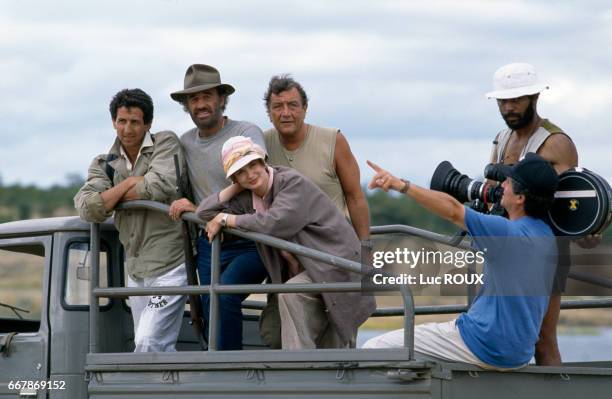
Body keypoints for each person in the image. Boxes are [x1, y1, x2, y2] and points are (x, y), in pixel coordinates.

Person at [363, 153, 559, 370]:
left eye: (509, 182)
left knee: (374, 348)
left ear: (521, 198)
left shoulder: (505, 232)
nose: (502, 185)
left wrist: (401, 185)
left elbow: (454, 211)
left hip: (483, 344)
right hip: (517, 355)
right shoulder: (548, 237)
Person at [197, 136, 376, 349]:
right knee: (273, 331)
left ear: (264, 162)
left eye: (253, 165)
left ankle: (301, 369)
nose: (250, 174)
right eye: (241, 171)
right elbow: (203, 212)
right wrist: (237, 186)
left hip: (333, 264)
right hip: (303, 269)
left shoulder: (292, 183)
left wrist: (227, 219)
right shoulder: (247, 197)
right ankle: (306, 364)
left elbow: (274, 222)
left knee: (297, 299)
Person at [485, 62, 598, 366]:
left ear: (534, 97)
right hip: (506, 247)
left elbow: (574, 201)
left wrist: (587, 230)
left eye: (516, 100)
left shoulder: (556, 142)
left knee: (543, 340)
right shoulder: (501, 138)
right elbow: (492, 191)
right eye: (502, 101)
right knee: (496, 334)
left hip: (544, 251)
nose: (508, 107)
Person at [74, 88, 187, 352]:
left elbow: (159, 186)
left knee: (148, 343)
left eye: (135, 121)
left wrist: (111, 197)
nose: (127, 128)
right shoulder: (104, 163)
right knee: (151, 345)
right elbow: (88, 208)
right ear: (113, 121)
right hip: (135, 269)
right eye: (122, 121)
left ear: (147, 124)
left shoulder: (166, 142)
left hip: (171, 264)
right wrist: (129, 184)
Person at [168, 64, 268, 350]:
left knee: (224, 295)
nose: (201, 104)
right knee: (210, 309)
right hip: (209, 242)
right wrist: (185, 205)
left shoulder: (246, 132)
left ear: (222, 99)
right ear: (187, 106)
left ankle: (231, 370)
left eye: (207, 96)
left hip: (250, 237)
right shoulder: (185, 143)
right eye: (194, 99)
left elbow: (258, 177)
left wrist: (213, 209)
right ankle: (218, 372)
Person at [262, 75, 370, 242]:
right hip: (283, 248)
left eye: (293, 105)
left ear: (305, 108)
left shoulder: (334, 141)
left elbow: (355, 197)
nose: (286, 113)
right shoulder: (261, 145)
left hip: (332, 245)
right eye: (277, 107)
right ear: (269, 113)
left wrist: (366, 247)